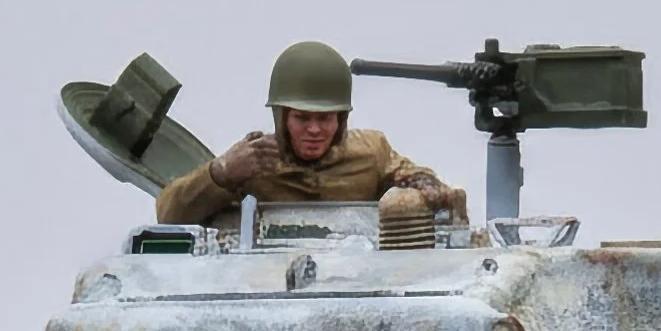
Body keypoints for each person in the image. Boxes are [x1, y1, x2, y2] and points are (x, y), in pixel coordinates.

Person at [154, 41, 455, 225]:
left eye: (325, 118)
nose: (314, 130)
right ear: (282, 117)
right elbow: (169, 214)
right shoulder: (250, 164)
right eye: (302, 118)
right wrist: (220, 174)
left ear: (342, 119)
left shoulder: (371, 151)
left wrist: (423, 188)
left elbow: (427, 186)